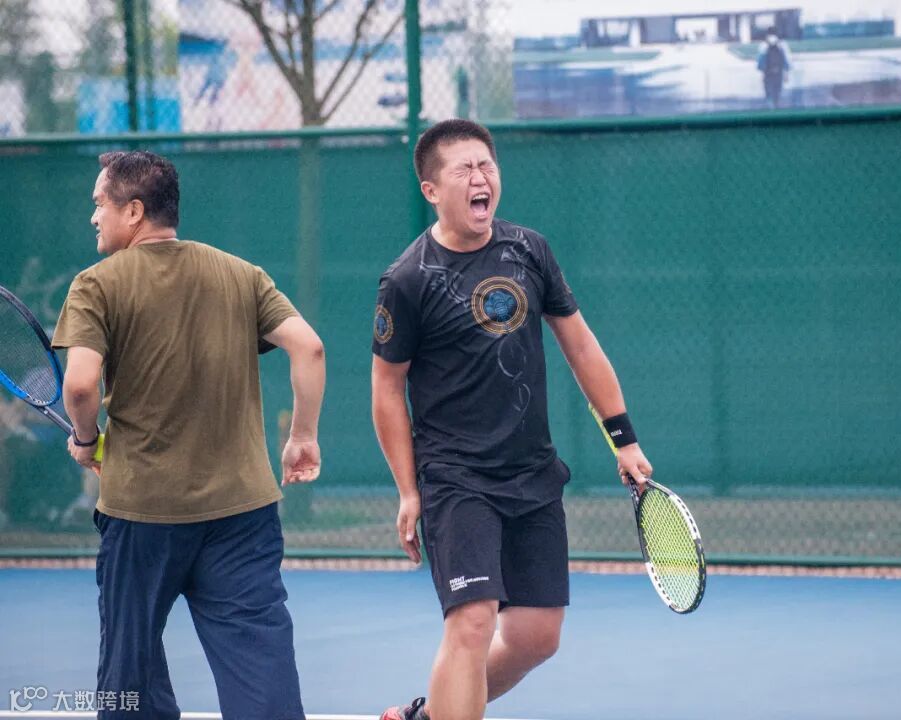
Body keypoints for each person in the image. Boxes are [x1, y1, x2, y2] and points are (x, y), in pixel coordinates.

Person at [371, 119, 653, 720]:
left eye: (487, 166)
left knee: (536, 636)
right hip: (456, 478)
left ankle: (429, 715)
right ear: (431, 190)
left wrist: (623, 439)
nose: (481, 178)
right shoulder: (407, 279)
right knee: (472, 623)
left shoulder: (529, 249)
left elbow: (581, 346)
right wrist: (408, 491)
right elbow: (387, 389)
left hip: (532, 473)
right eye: (464, 169)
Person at [53, 150, 325, 719]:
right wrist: (303, 435)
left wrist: (84, 438)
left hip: (142, 515)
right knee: (261, 668)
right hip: (243, 514)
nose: (93, 216)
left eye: (100, 204)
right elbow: (309, 347)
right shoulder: (242, 274)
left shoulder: (95, 285)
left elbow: (79, 385)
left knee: (130, 673)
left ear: (134, 211)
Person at [756, 27, 791, 109]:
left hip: (768, 72)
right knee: (777, 91)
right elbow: (786, 60)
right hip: (779, 72)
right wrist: (786, 73)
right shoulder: (783, 45)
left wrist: (762, 74)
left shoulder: (763, 45)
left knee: (768, 92)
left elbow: (760, 62)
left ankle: (770, 107)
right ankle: (776, 106)